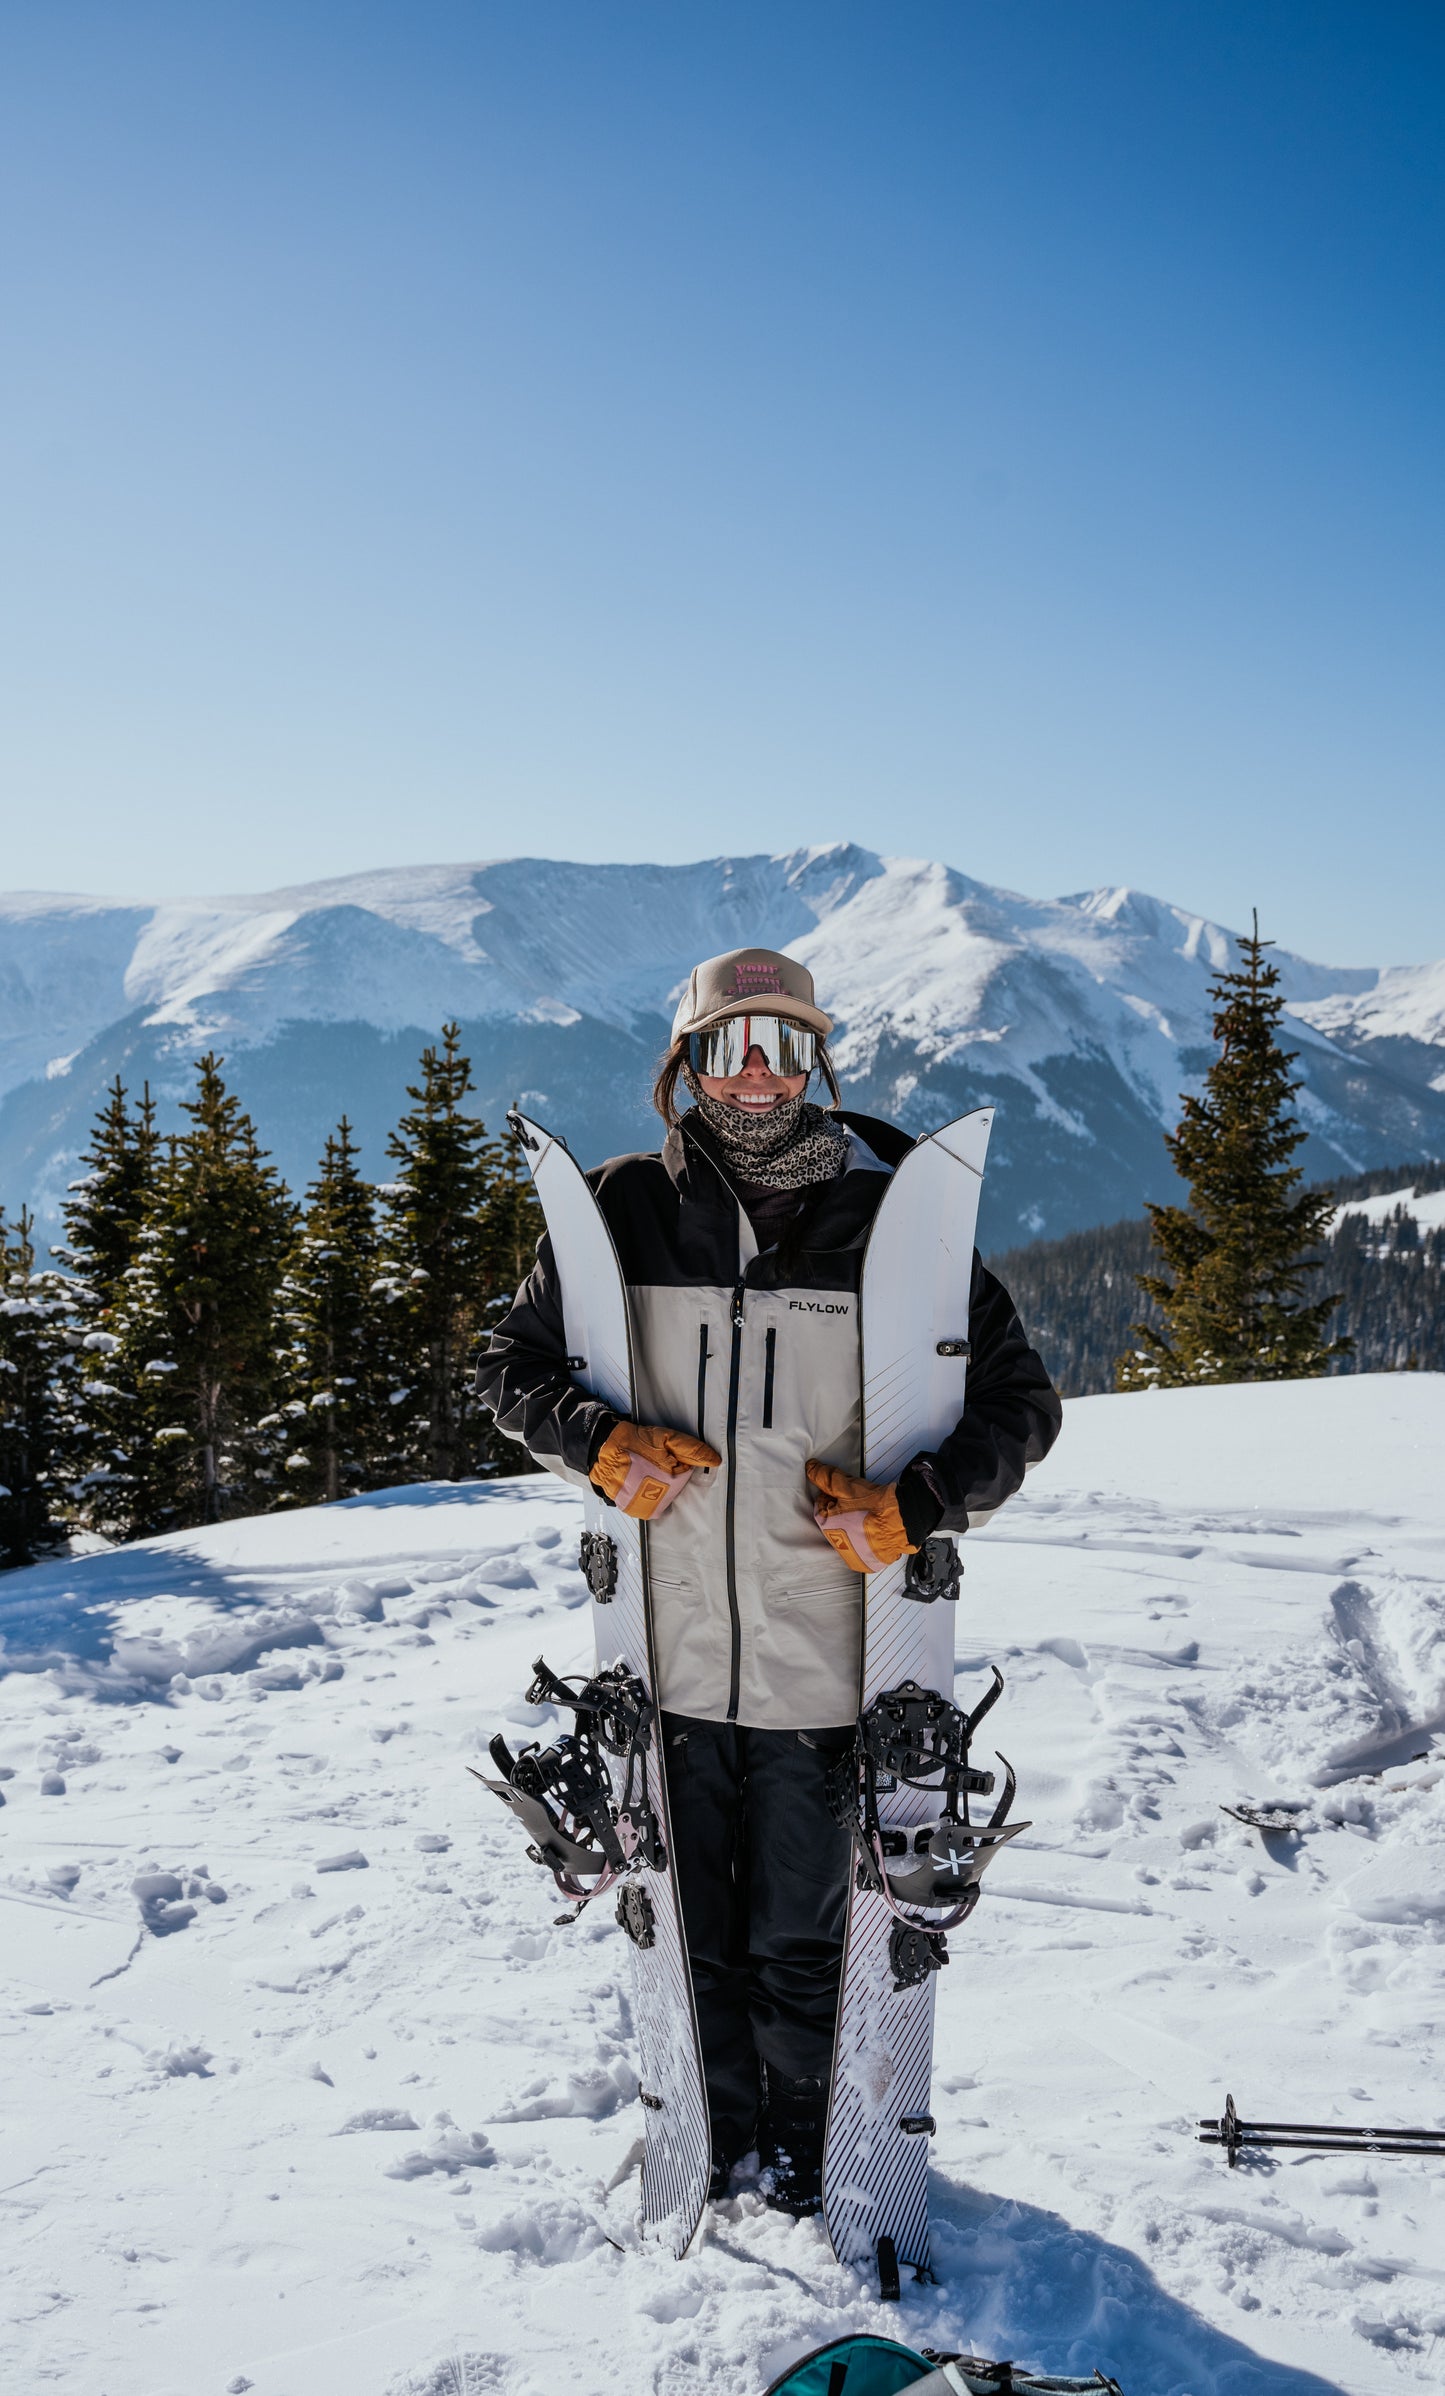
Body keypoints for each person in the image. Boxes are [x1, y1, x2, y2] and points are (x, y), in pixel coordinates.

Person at [477, 946, 1061, 2215]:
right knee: (686, 1933)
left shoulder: (894, 1223)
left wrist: (914, 1504)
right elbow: (508, 1366)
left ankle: (803, 2161)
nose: (756, 1074)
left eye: (784, 1044)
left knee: (804, 1937)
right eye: (728, 1045)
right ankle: (709, 2139)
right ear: (683, 1064)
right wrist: (595, 1441)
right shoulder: (622, 1210)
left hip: (827, 1660)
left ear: (819, 1060)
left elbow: (1020, 1405)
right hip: (667, 1658)